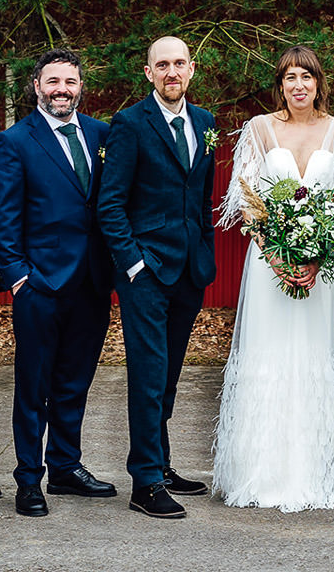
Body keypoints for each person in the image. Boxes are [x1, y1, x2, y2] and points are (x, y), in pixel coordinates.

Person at [213, 45, 334, 511]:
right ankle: (264, 473)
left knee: (314, 358)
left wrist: (316, 257)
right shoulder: (259, 128)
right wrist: (277, 257)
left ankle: (315, 474)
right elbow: (245, 201)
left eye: (307, 77)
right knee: (268, 357)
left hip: (321, 268)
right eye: (290, 77)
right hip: (268, 267)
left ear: (319, 83)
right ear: (280, 84)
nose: (299, 85)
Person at [0, 48, 116, 517]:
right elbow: (4, 218)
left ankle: (66, 465)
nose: (62, 89)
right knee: (34, 385)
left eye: (70, 81)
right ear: (37, 86)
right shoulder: (16, 141)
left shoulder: (102, 134)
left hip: (91, 282)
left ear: (81, 86)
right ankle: (29, 479)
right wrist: (19, 277)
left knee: (75, 381)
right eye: (53, 81)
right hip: (40, 283)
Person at [98, 36, 218, 520]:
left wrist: (204, 253)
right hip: (145, 272)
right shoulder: (129, 124)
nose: (172, 72)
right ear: (148, 73)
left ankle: (162, 463)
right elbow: (109, 203)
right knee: (148, 376)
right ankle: (144, 481)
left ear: (191, 69)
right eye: (162, 64)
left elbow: (202, 194)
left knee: (168, 376)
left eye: (180, 63)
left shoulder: (205, 122)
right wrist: (134, 264)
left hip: (189, 270)